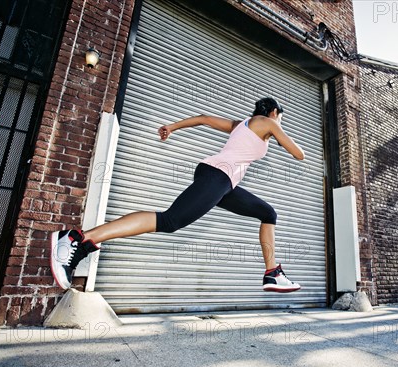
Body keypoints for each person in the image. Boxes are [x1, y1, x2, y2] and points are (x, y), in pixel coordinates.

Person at [50, 97, 304, 293]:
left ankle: (271, 271)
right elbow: (299, 153)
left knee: (267, 213)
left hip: (222, 181)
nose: (277, 123)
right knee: (170, 221)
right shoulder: (269, 122)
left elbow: (204, 118)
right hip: (218, 176)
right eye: (279, 118)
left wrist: (172, 127)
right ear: (273, 113)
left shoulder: (241, 126)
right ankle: (78, 239)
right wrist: (278, 131)